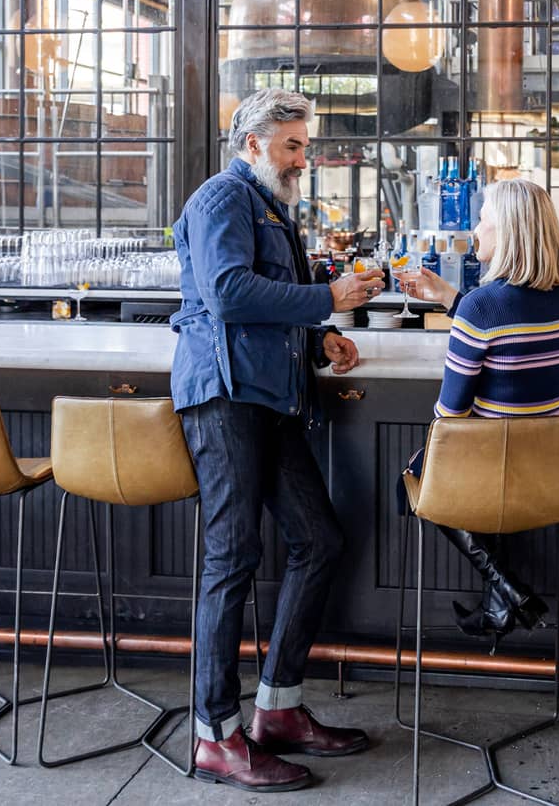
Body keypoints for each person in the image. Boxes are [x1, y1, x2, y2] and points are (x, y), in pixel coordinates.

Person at [170, 88, 383, 793]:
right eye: (293, 144)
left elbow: (268, 299)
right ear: (255, 142)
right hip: (225, 396)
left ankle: (278, 711)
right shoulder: (220, 200)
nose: (304, 157)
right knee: (231, 555)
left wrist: (320, 337)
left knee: (319, 539)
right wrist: (330, 299)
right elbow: (227, 293)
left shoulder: (269, 207)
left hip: (271, 394)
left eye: (304, 143)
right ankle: (213, 736)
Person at [399, 178, 559, 644]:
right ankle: (501, 601)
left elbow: (450, 412)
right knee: (456, 467)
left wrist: (461, 309)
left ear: (509, 231)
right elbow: (510, 326)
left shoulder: (482, 306)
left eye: (483, 220)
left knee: (415, 477)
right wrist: (448, 297)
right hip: (553, 469)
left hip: (492, 466)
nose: (475, 230)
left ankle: (510, 590)